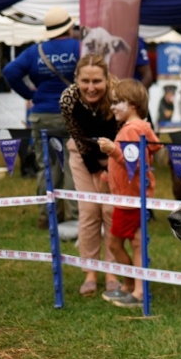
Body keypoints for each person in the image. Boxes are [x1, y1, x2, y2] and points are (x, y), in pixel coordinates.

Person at [3, 7, 81, 227]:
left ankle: (47, 216)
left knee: (47, 165)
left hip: (42, 115)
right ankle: (76, 217)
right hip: (72, 115)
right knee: (73, 164)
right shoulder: (78, 47)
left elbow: (10, 72)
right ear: (69, 26)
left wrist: (31, 95)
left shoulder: (35, 51)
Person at [60, 54, 123, 297]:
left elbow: (122, 135)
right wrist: (96, 172)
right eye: (84, 81)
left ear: (107, 79)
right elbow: (77, 136)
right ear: (76, 79)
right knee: (88, 211)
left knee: (109, 211)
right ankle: (90, 272)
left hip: (114, 154)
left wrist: (109, 170)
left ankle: (111, 271)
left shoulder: (118, 95)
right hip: (82, 153)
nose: (90, 87)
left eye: (97, 81)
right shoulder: (68, 99)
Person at [96, 79, 160, 308]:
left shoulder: (132, 130)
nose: (113, 107)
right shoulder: (133, 128)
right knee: (134, 243)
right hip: (130, 196)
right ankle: (131, 286)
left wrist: (113, 152)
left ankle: (136, 289)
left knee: (115, 244)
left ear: (132, 104)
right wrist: (109, 175)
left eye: (118, 102)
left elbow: (136, 164)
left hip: (130, 199)